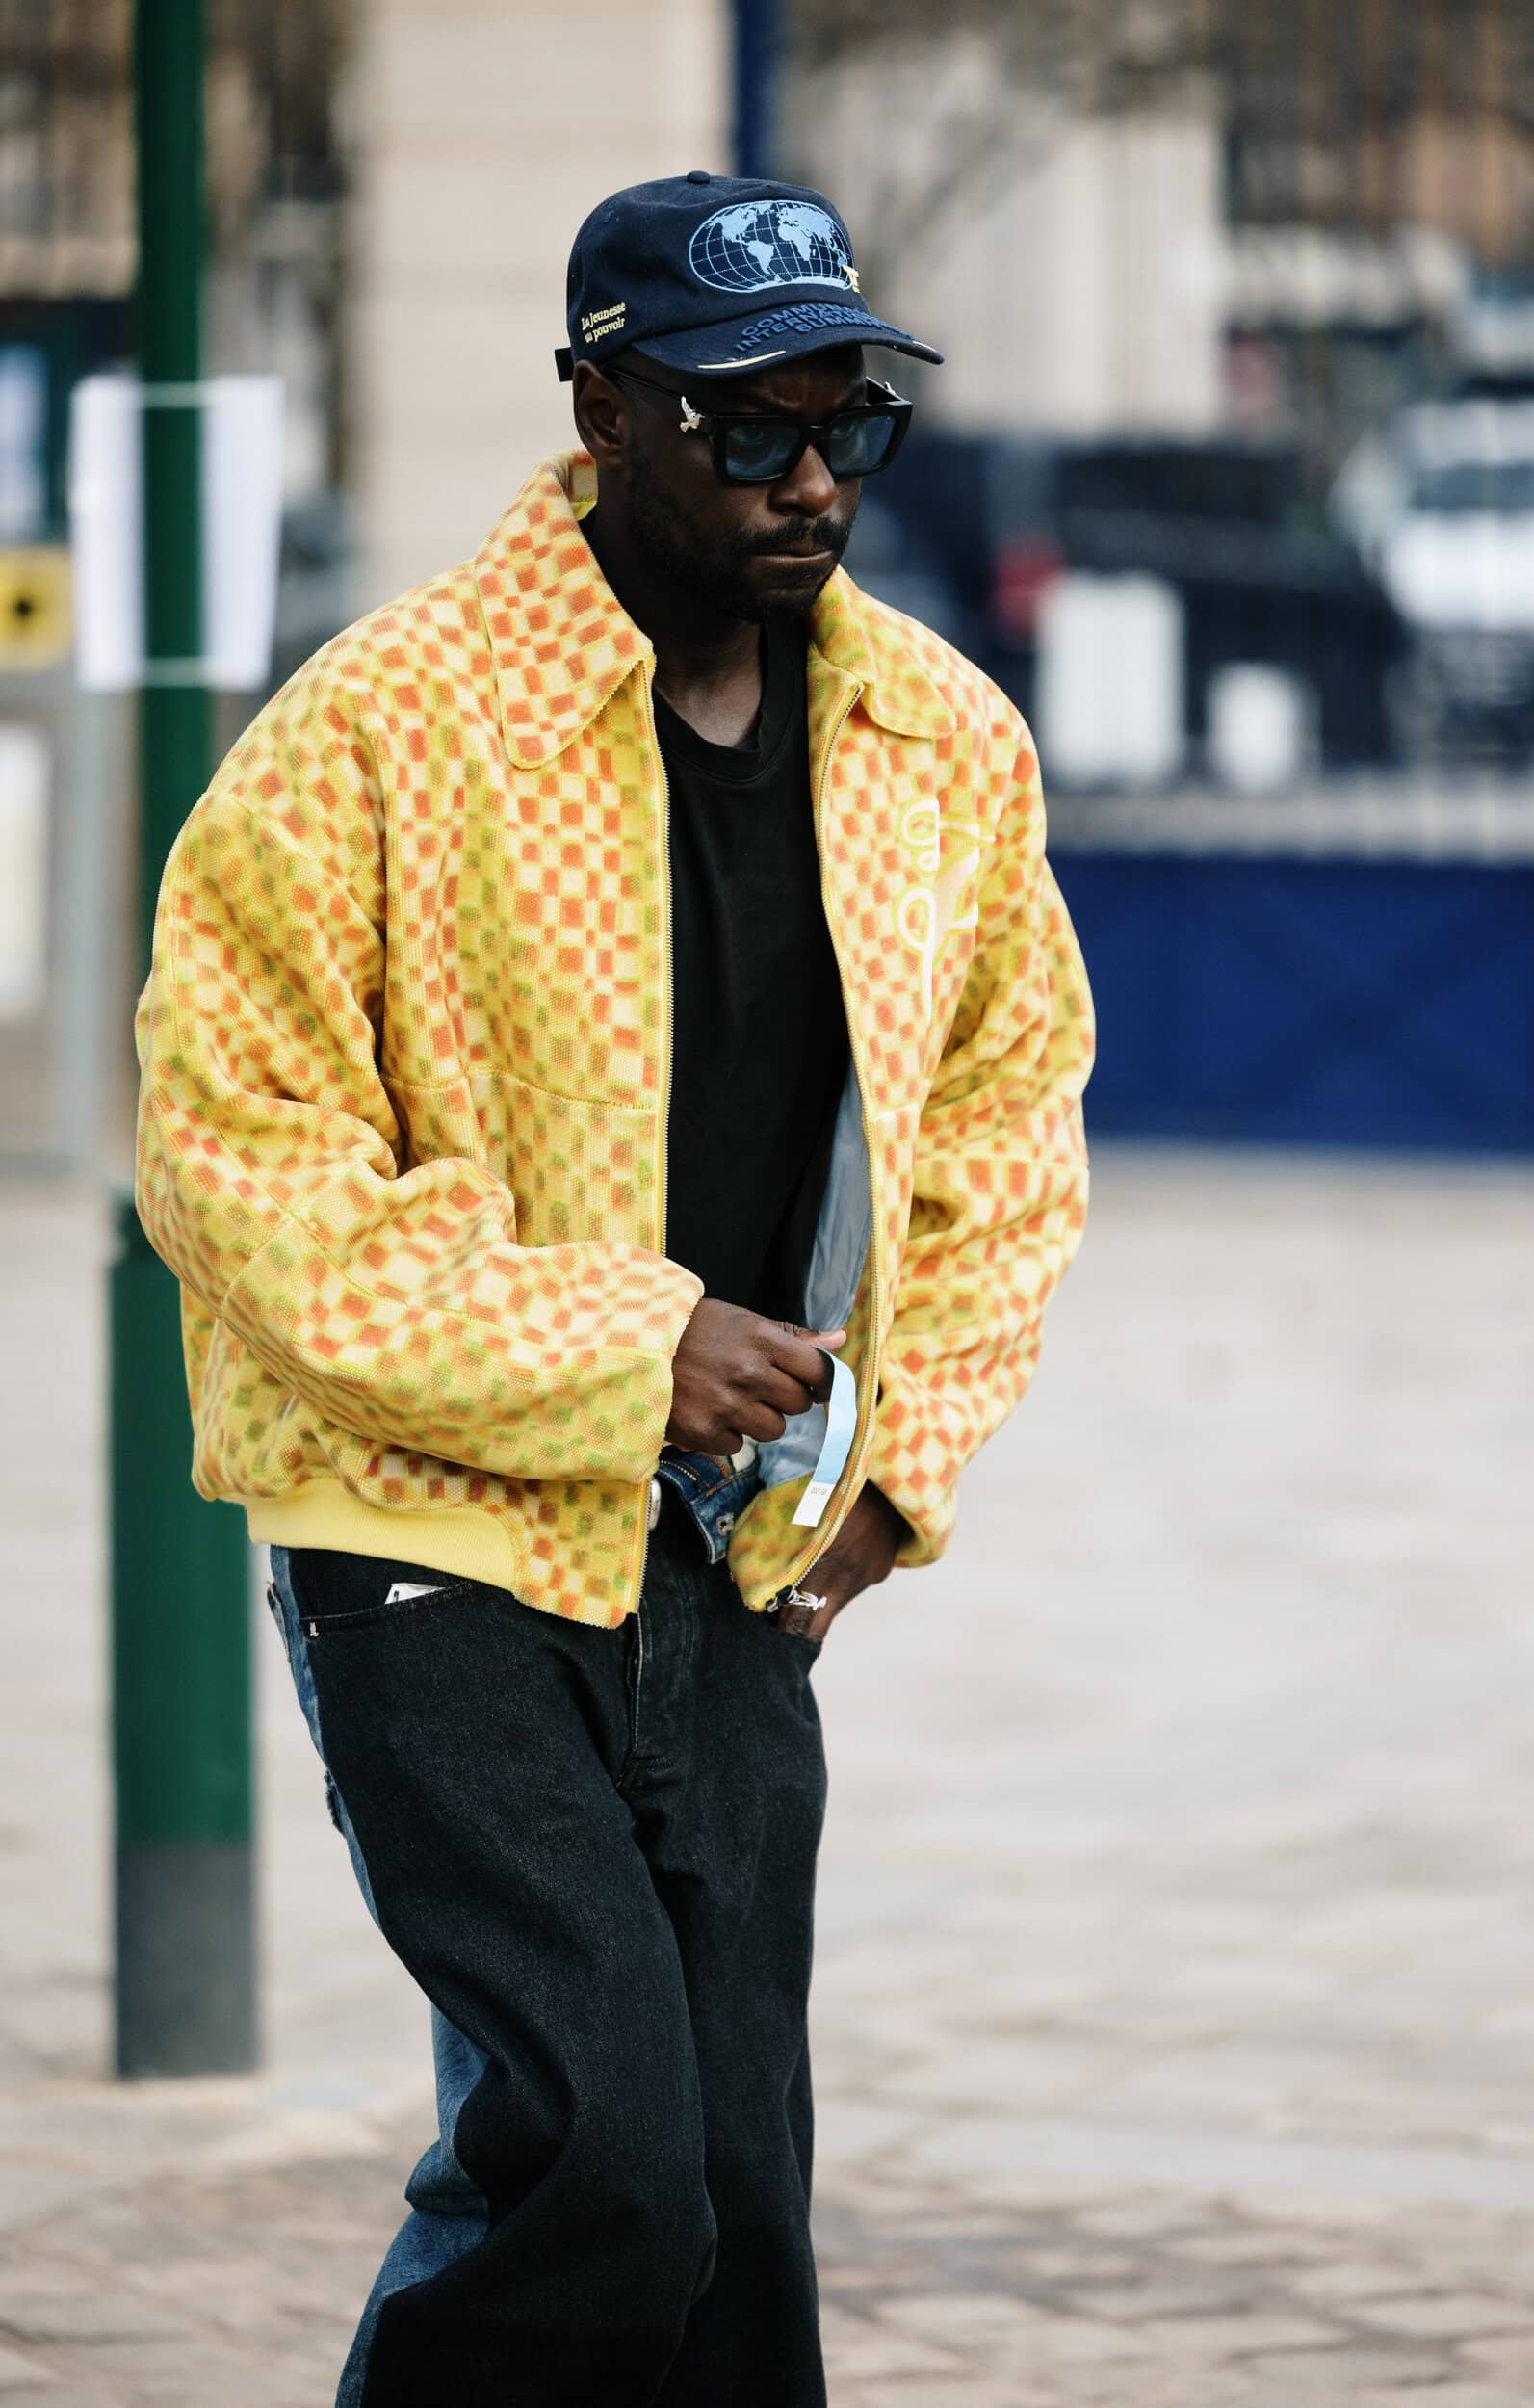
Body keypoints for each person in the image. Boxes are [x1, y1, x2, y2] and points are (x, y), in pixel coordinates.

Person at [134, 172, 1093, 2408]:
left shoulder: (942, 747)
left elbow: (1008, 1133)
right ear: (603, 411)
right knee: (603, 2155)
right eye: (749, 427)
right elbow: (234, 1159)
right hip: (425, 1530)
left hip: (732, 1546)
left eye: (851, 422)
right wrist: (625, 1341)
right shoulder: (377, 732)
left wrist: (902, 1465)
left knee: (738, 2189)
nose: (812, 477)